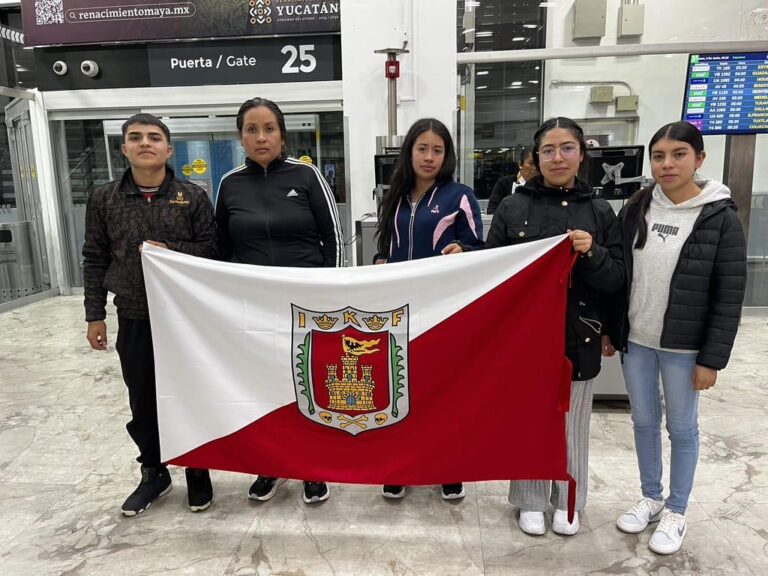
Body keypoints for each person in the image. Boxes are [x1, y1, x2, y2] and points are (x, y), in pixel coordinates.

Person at [605, 121, 746, 555]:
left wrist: (712, 359)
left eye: (678, 154)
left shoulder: (720, 217)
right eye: (660, 155)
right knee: (643, 421)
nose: (667, 164)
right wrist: (614, 329)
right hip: (639, 341)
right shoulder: (637, 206)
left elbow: (729, 293)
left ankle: (677, 509)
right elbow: (619, 273)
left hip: (685, 347)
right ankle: (651, 496)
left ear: (699, 160)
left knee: (682, 427)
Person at [485, 117, 624, 536]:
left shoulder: (600, 211)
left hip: (577, 335)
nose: (558, 157)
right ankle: (529, 499)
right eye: (548, 150)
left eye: (567, 148)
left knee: (573, 423)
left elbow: (617, 278)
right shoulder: (512, 207)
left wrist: (593, 253)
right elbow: (492, 270)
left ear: (582, 155)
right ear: (536, 157)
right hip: (525, 339)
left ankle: (568, 499)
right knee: (528, 420)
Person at [83, 113, 217, 516]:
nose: (146, 143)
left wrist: (169, 251)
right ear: (123, 148)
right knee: (143, 399)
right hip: (135, 316)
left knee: (192, 394)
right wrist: (95, 314)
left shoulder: (192, 196)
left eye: (154, 137)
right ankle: (154, 471)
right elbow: (94, 257)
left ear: (168, 149)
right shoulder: (104, 199)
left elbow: (213, 251)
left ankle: (197, 468)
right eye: (136, 138)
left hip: (185, 321)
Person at [215, 97, 344, 505]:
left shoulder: (306, 177)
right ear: (241, 137)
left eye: (269, 128)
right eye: (251, 129)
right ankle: (269, 465)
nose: (261, 137)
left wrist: (329, 296)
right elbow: (219, 250)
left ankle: (311, 467)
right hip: (253, 310)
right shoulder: (229, 184)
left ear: (282, 135)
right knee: (262, 388)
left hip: (306, 307)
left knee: (305, 385)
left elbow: (334, 239)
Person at [374, 117, 484, 500]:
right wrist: (379, 262)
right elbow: (385, 244)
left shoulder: (460, 196)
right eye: (422, 148)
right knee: (400, 387)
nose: (429, 157)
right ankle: (399, 466)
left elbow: (479, 249)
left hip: (443, 310)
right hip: (399, 310)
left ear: (446, 155)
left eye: (437, 150)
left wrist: (464, 251)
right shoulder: (394, 195)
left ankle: (447, 467)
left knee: (444, 391)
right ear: (410, 152)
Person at [486, 149, 538, 215]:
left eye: (538, 163)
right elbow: (492, 211)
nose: (535, 168)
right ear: (520, 164)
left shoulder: (544, 185)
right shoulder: (504, 183)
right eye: (531, 163)